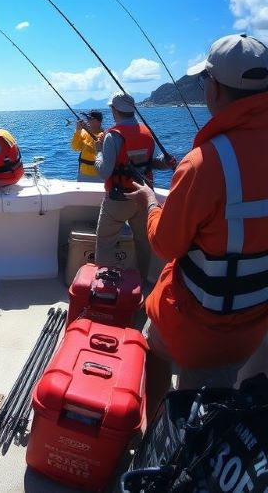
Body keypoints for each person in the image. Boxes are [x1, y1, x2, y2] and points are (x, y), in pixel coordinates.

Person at [124, 33, 268, 418]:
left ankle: (152, 433)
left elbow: (165, 245)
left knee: (153, 353)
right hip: (253, 326)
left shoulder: (204, 165)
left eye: (206, 81)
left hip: (197, 329)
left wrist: (151, 204)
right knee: (210, 410)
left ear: (215, 88)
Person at [93, 91, 175, 282]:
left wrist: (98, 152)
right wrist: (165, 162)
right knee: (144, 242)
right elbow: (148, 163)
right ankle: (144, 281)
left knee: (105, 242)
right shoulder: (147, 132)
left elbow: (104, 171)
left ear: (114, 110)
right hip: (143, 198)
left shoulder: (112, 137)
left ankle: (106, 285)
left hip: (118, 199)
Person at [71, 110, 104, 182]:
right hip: (83, 173)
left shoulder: (104, 135)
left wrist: (89, 130)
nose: (87, 121)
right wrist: (78, 130)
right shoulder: (83, 132)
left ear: (98, 121)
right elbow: (75, 147)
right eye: (87, 119)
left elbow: (95, 150)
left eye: (90, 119)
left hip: (99, 174)